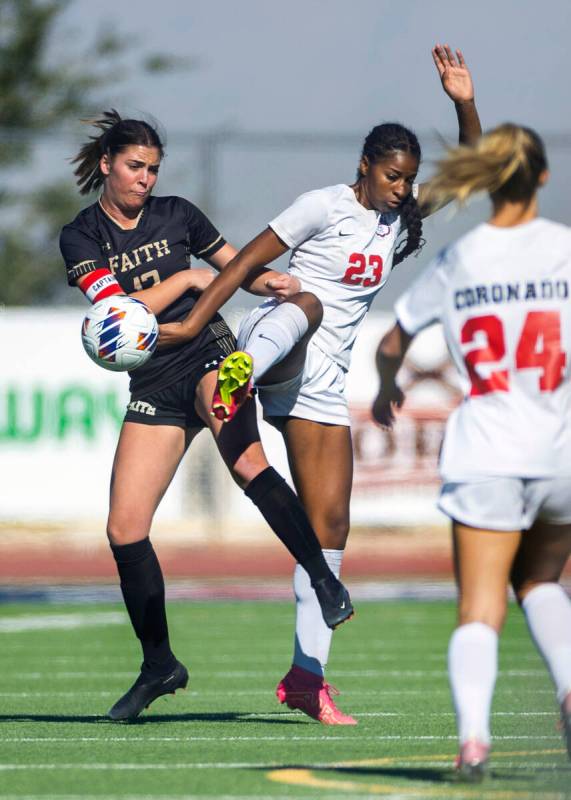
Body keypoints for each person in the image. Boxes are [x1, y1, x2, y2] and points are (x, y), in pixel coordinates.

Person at [158, 44, 482, 725]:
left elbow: (474, 173)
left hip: (319, 382)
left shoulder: (399, 222)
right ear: (365, 167)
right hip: (272, 342)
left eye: (407, 179)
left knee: (329, 528)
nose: (400, 187)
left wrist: (462, 103)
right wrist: (193, 329)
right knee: (305, 305)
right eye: (392, 176)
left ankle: (306, 677)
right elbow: (246, 258)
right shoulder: (322, 205)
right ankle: (233, 381)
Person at [59, 110, 354, 722]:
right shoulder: (81, 236)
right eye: (135, 167)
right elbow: (120, 315)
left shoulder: (178, 214)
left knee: (249, 463)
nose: (145, 179)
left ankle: (324, 582)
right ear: (107, 164)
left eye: (153, 170)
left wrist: (268, 279)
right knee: (124, 529)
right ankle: (159, 664)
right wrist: (191, 276)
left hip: (209, 355)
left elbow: (233, 265)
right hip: (152, 380)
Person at [372, 123, 571, 779]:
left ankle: (473, 742)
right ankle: (569, 688)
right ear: (540, 176)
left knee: (478, 609)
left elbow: (393, 341)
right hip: (559, 452)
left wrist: (383, 391)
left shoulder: (460, 260)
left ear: (486, 180)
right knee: (541, 581)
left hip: (486, 450)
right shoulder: (565, 250)